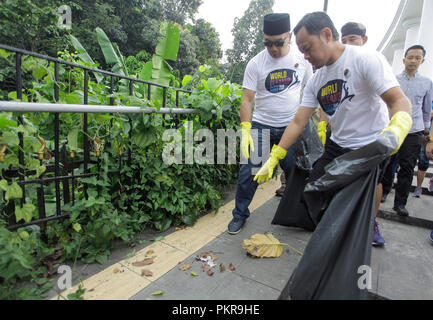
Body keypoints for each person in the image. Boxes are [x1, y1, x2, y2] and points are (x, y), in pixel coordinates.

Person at [253, 11, 412, 221]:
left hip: (371, 145)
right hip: (337, 144)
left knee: (362, 198)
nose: (306, 56)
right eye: (302, 51)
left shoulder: (364, 59)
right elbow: (299, 120)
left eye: (308, 49)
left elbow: (399, 101)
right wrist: (277, 154)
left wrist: (396, 130)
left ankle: (367, 227)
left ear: (327, 35)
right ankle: (328, 232)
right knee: (314, 189)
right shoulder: (317, 79)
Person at [227, 13, 313, 234]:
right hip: (261, 126)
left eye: (278, 42)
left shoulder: (302, 60)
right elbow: (247, 99)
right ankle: (239, 214)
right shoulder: (256, 63)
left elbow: (310, 91)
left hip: (290, 126)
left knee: (297, 171)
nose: (273, 48)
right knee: (249, 172)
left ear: (290, 37)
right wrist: (246, 129)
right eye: (267, 43)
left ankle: (301, 214)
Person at [381, 45, 433, 217]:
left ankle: (400, 203)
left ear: (422, 61)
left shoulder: (427, 83)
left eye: (417, 58)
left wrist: (426, 130)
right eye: (410, 57)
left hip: (414, 130)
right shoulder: (392, 80)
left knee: (407, 167)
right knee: (387, 164)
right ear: (404, 59)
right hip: (393, 128)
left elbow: (426, 109)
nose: (413, 60)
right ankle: (384, 191)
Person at [413, 104, 433, 197]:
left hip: (428, 136)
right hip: (423, 135)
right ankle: (418, 187)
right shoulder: (427, 103)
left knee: (423, 162)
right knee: (423, 162)